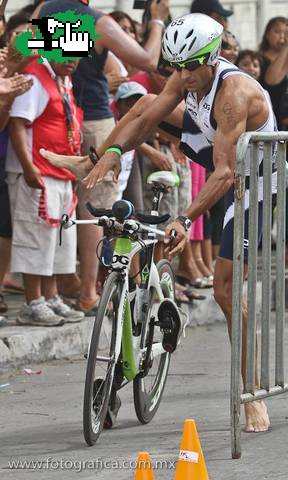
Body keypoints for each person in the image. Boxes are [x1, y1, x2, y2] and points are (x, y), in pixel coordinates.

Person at [46, 13, 276, 432]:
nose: (184, 76)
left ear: (211, 58)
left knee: (226, 290)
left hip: (251, 180)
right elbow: (149, 115)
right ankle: (90, 160)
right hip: (214, 146)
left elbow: (226, 174)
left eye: (191, 68)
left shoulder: (233, 91)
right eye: (177, 67)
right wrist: (114, 153)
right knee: (145, 103)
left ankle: (253, 390)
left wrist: (184, 220)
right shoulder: (58, 16)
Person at [34, 0, 169, 314]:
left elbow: (47, 55)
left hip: (64, 110)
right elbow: (147, 61)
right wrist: (158, 22)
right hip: (93, 117)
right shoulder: (97, 22)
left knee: (65, 205)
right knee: (98, 207)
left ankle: (64, 285)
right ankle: (88, 293)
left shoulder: (44, 11)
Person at [7, 57, 85, 326]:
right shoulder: (34, 77)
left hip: (61, 171)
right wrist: (28, 168)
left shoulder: (63, 79)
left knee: (58, 241)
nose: (73, 60)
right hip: (37, 172)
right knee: (36, 236)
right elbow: (17, 123)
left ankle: (51, 297)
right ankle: (33, 302)